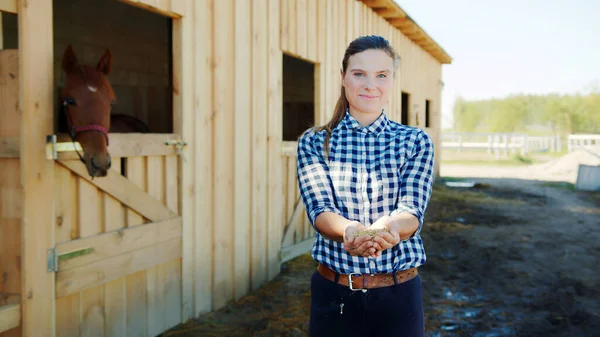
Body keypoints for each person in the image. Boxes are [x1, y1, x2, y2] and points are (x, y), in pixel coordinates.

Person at [296, 35, 435, 337]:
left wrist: (386, 228)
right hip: (334, 295)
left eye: (381, 75)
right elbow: (321, 210)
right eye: (359, 74)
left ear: (391, 80)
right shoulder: (315, 141)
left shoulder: (414, 141)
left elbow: (411, 211)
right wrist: (351, 231)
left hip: (398, 296)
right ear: (343, 77)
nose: (370, 84)